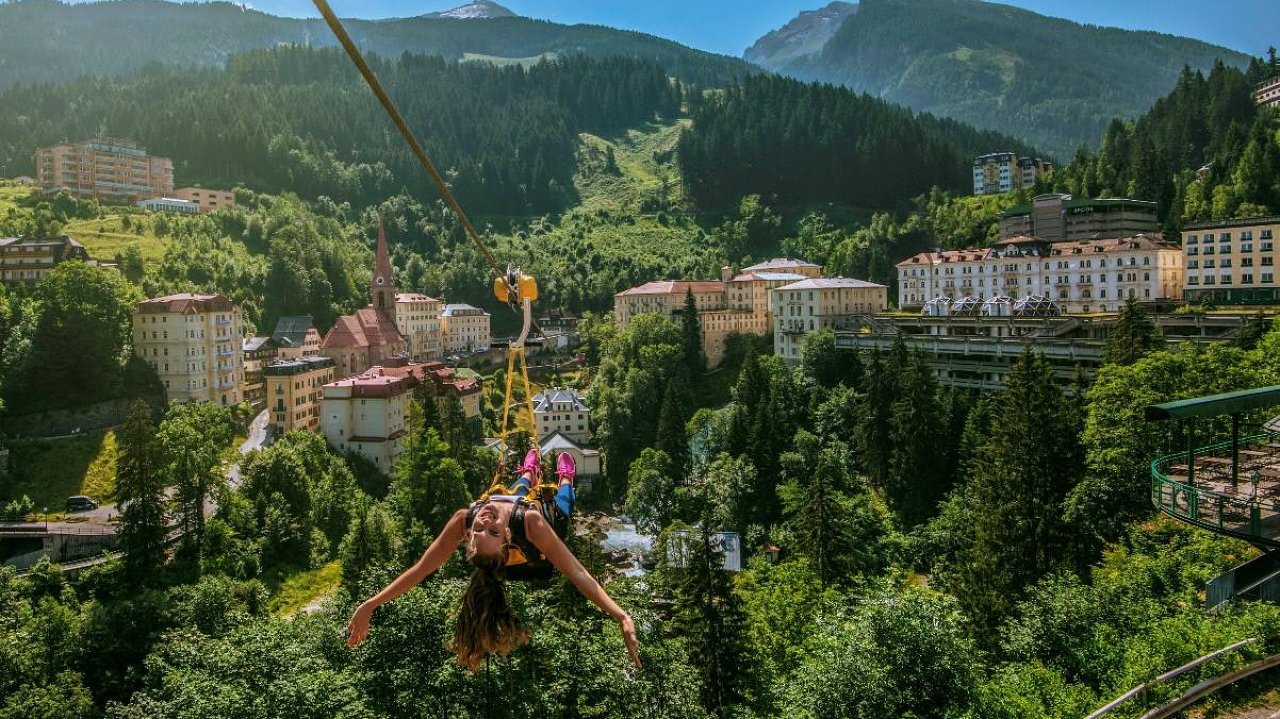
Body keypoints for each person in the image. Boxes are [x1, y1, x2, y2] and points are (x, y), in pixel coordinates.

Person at [345, 449, 641, 671]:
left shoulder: (466, 518)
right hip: (537, 553)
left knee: (515, 492)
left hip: (514, 504)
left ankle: (530, 471)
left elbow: (423, 568)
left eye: (480, 529)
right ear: (507, 536)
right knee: (561, 505)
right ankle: (566, 477)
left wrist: (371, 604)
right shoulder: (531, 523)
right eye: (492, 530)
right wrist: (620, 614)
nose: (485, 520)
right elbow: (576, 572)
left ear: (468, 536)